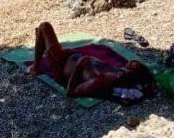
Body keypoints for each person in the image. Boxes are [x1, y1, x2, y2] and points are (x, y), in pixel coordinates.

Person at [27, 22, 157, 103]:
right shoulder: (116, 72)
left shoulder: (98, 80)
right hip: (71, 55)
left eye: (129, 65)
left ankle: (36, 66)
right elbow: (146, 78)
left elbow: (70, 92)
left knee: (44, 27)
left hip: (61, 63)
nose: (126, 64)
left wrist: (79, 65)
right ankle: (41, 49)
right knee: (40, 32)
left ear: (129, 72)